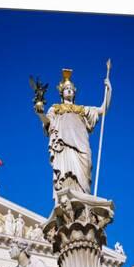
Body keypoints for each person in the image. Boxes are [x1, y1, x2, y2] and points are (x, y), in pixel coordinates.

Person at [34, 68, 111, 198]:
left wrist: (109, 90)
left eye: (71, 89)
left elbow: (103, 110)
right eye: (66, 89)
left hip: (82, 147)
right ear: (62, 93)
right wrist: (40, 112)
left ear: (74, 93)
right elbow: (48, 123)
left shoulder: (82, 110)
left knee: (84, 175)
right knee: (66, 177)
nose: (69, 90)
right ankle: (67, 204)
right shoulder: (56, 109)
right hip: (64, 147)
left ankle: (84, 203)